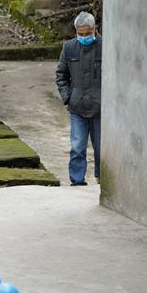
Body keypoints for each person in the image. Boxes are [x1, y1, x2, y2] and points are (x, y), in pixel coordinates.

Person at [56, 11, 102, 186]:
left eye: (87, 34)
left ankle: (102, 179)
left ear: (94, 30)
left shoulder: (105, 46)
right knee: (77, 148)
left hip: (100, 109)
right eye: (80, 34)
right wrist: (67, 97)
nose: (84, 37)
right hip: (77, 108)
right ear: (75, 32)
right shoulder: (69, 48)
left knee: (101, 149)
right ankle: (77, 182)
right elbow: (61, 74)